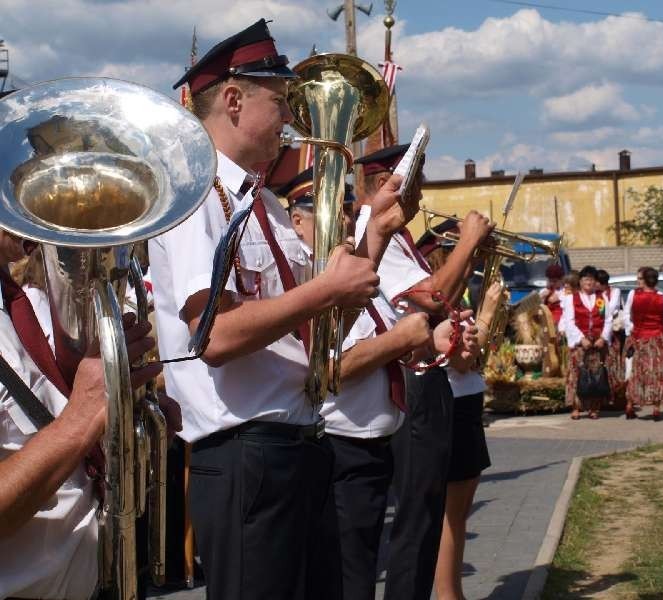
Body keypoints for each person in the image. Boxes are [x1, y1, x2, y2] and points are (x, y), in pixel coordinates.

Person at [148, 20, 417, 600]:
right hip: (248, 457)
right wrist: (325, 289)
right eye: (282, 101)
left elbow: (316, 340)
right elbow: (212, 336)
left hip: (295, 447)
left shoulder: (263, 203)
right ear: (235, 100)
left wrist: (379, 237)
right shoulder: (196, 193)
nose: (294, 119)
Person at [279, 169, 434, 600]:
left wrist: (418, 344)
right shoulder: (306, 281)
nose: (345, 223)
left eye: (347, 212)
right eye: (331, 213)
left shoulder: (349, 275)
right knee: (348, 582)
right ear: (297, 220)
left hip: (369, 448)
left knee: (357, 575)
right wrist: (398, 341)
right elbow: (327, 371)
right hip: (340, 447)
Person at [0, 229, 172, 599]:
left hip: (96, 576)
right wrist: (80, 419)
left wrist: (129, 415)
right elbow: (72, 421)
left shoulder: (12, 303)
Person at [353, 144, 489, 600]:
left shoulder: (399, 237)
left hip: (423, 375)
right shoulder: (372, 231)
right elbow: (429, 298)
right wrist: (467, 241)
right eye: (409, 186)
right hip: (409, 381)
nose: (419, 196)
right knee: (416, 517)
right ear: (380, 186)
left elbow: (437, 306)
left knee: (426, 513)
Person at [433, 278, 502, 600]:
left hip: (464, 405)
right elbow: (462, 359)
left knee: (457, 515)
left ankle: (453, 592)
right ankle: (449, 595)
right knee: (452, 515)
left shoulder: (452, 304)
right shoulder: (440, 306)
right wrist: (488, 311)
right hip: (455, 406)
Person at [562, 265, 613, 420]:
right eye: (585, 279)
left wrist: (603, 338)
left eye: (591, 279)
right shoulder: (572, 298)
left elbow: (608, 319)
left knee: (596, 375)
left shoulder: (601, 298)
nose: (588, 282)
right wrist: (580, 338)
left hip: (597, 343)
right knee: (577, 374)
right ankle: (576, 407)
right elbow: (569, 321)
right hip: (580, 344)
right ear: (580, 281)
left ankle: (594, 407)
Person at [625, 267, 663, 420]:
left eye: (640, 278)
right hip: (657, 338)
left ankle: (630, 404)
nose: (638, 281)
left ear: (645, 280)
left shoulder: (633, 295)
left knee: (637, 372)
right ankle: (656, 408)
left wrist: (632, 331)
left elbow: (628, 315)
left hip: (639, 337)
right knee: (657, 372)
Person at [596, 269, 623, 404]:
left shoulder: (614, 292)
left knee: (612, 362)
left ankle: (614, 395)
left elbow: (612, 309)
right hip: (599, 331)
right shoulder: (595, 295)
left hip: (612, 332)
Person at [539, 263, 565, 327]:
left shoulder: (565, 290)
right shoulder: (544, 291)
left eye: (555, 281)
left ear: (562, 279)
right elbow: (537, 307)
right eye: (550, 281)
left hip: (561, 322)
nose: (552, 283)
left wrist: (560, 298)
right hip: (547, 322)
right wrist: (542, 297)